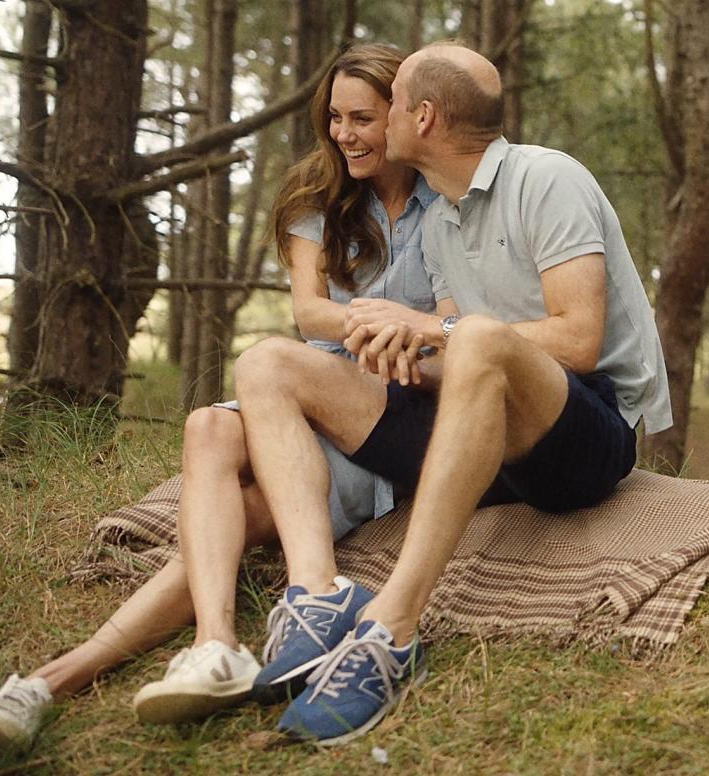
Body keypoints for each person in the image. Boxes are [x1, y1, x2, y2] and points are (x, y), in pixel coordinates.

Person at [0, 43, 439, 749]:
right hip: (303, 399)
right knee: (207, 430)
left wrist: (410, 339)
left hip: (377, 423)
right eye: (334, 117)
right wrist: (382, 324)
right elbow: (310, 313)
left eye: (362, 118)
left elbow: (455, 330)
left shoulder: (446, 201)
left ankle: (53, 679)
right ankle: (216, 643)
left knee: (224, 531)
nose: (344, 134)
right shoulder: (323, 199)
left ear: (404, 116)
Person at [232, 41, 673, 745]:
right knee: (268, 363)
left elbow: (578, 337)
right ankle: (316, 595)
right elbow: (452, 356)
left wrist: (438, 330)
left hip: (579, 432)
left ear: (423, 117)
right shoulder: (439, 216)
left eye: (394, 104)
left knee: (476, 338)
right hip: (475, 436)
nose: (377, 121)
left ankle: (392, 628)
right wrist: (401, 349)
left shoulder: (546, 179)